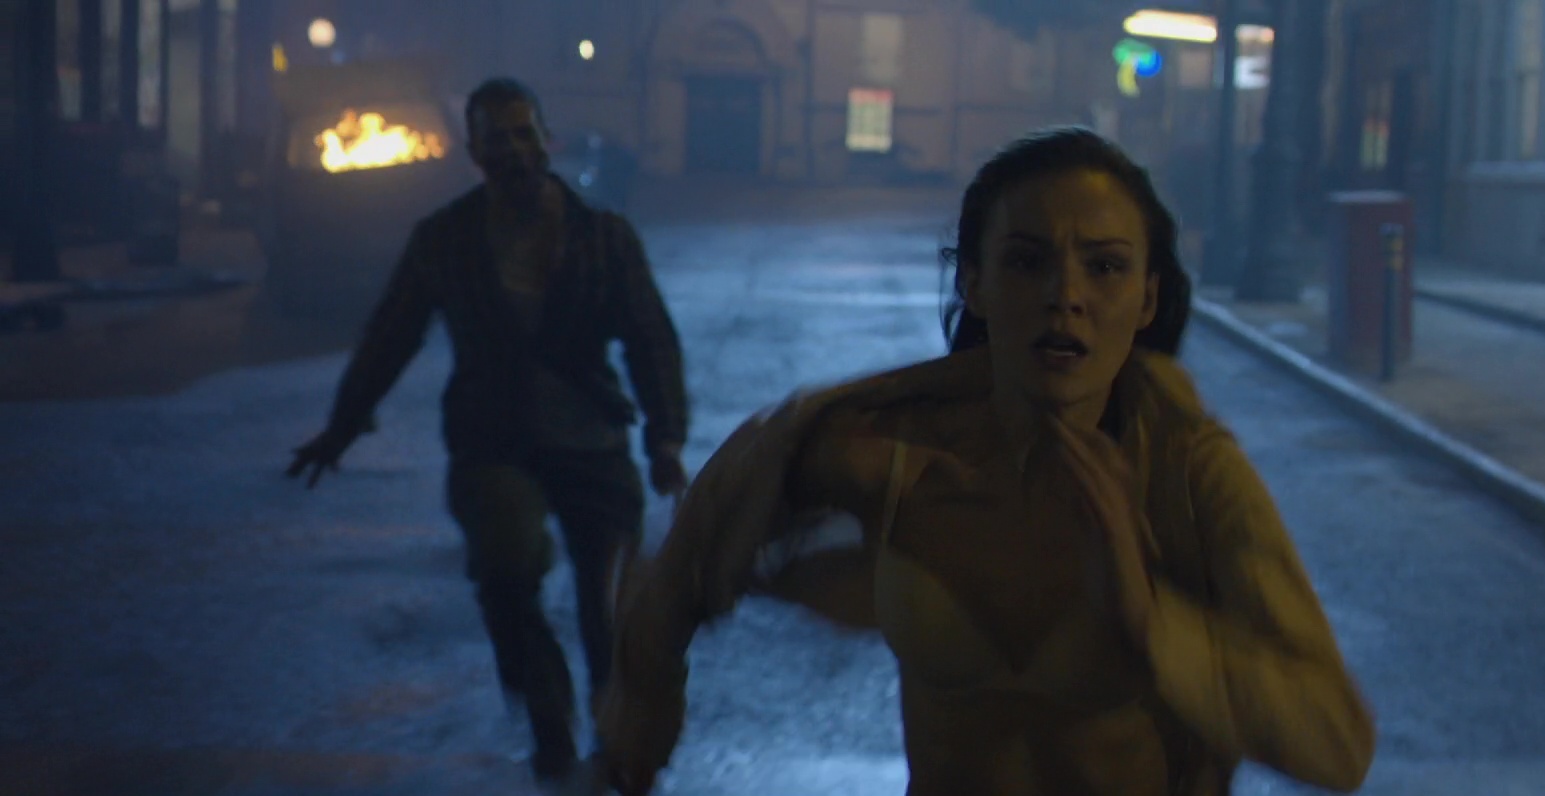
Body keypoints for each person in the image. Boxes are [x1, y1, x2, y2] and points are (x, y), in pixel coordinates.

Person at [595, 127, 1375, 795]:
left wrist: (1149, 621)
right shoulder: (894, 454)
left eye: (1104, 266)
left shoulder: (1188, 474)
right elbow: (707, 534)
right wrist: (648, 689)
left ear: (1147, 298)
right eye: (1028, 261)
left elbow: (1336, 744)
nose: (1065, 295)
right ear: (974, 281)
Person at [285, 77, 691, 790]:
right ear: (474, 153)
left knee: (612, 607)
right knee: (504, 573)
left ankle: (618, 738)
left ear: (546, 140)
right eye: (496, 140)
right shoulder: (445, 241)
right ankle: (549, 718)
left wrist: (665, 439)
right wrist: (341, 428)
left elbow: (649, 338)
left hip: (590, 438)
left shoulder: (602, 236)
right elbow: (390, 336)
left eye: (523, 134)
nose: (513, 152)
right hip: (493, 441)